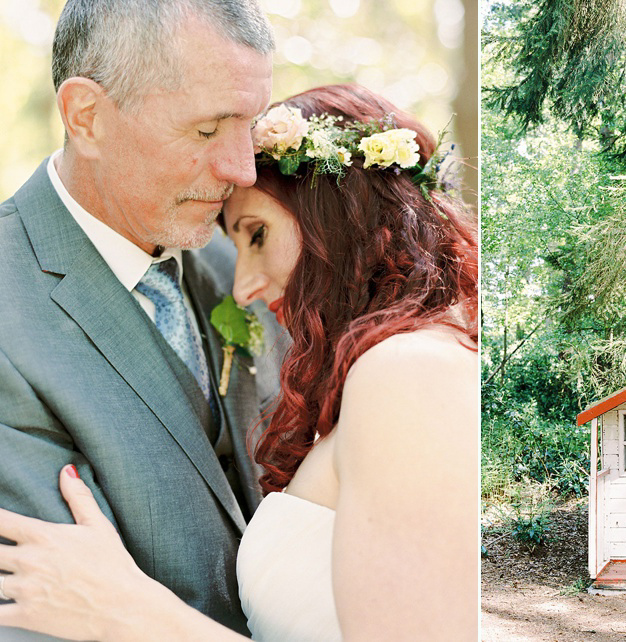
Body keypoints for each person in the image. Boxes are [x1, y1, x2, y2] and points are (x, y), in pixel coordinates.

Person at [0, 84, 479, 640]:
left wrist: (132, 615)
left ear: (342, 215)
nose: (243, 286)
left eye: (258, 234)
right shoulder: (398, 359)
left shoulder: (408, 371)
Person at [0, 0, 281, 637]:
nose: (242, 169)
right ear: (87, 117)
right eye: (209, 130)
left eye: (251, 125)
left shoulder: (243, 255)